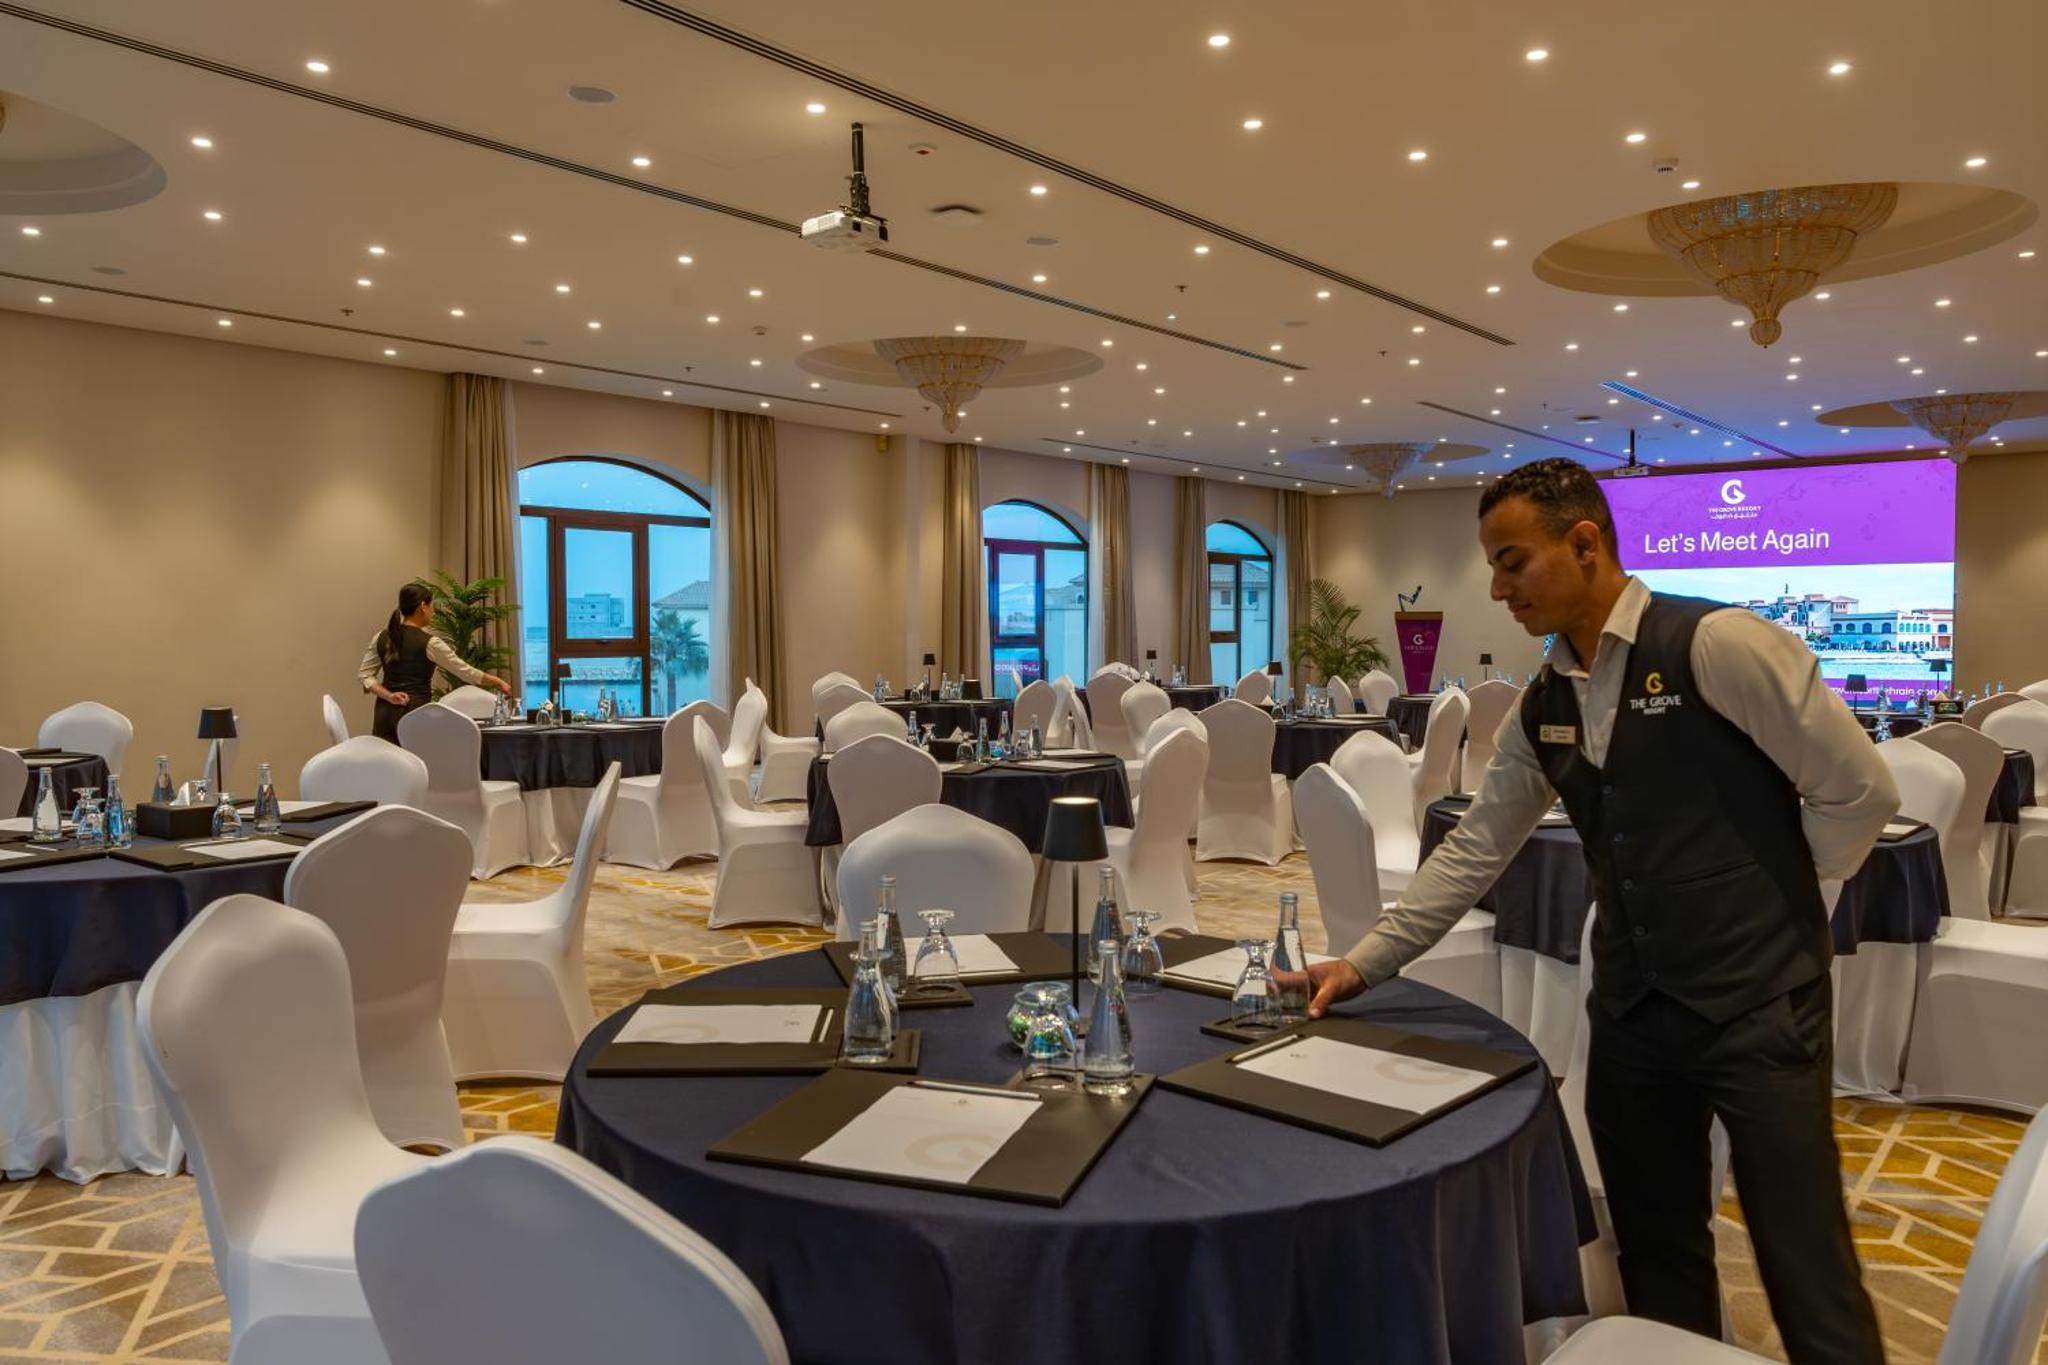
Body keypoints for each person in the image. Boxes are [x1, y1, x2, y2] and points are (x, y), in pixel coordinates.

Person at [1285, 458, 1896, 1362]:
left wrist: (1778, 896)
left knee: (1806, 1263)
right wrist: (1364, 960)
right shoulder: (1544, 702)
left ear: (1585, 543)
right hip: (1633, 1012)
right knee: (1656, 1249)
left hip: (1760, 1005)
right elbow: (1476, 848)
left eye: (1513, 562)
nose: (1498, 589)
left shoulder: (1718, 644)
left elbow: (1860, 791)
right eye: (1494, 567)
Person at [357, 582, 512, 742]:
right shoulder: (430, 643)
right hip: (414, 714)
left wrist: (389, 696)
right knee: (417, 757)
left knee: (385, 757)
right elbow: (465, 671)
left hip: (384, 715)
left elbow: (364, 675)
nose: (432, 612)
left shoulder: (381, 637)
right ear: (423, 606)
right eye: (431, 606)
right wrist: (497, 682)